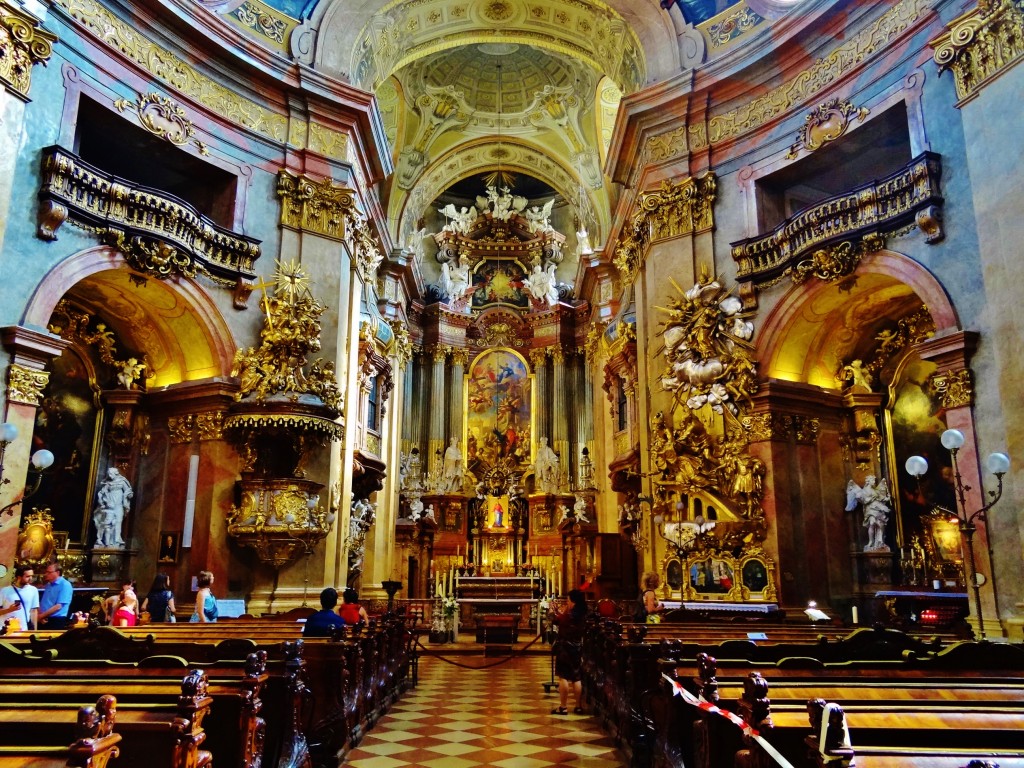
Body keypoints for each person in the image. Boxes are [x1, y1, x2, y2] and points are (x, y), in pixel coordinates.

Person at [549, 588, 587, 715]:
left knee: (563, 677)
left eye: (568, 600)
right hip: (577, 647)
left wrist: (552, 611)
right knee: (576, 677)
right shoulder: (582, 614)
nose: (567, 602)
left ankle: (563, 707)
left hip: (565, 648)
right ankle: (578, 706)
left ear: (574, 602)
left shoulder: (569, 616)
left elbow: (557, 620)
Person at [93, 466, 133, 548]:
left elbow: (129, 492)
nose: (109, 475)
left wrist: (128, 495)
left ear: (115, 474)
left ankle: (117, 539)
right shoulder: (107, 482)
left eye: (111, 474)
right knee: (107, 524)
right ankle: (107, 542)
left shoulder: (122, 481)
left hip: (118, 505)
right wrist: (103, 499)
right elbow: (102, 493)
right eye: (108, 474)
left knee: (118, 521)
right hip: (109, 505)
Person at [0, 564, 39, 630]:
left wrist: (34, 630)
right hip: (6, 630)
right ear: (19, 577)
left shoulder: (33, 590)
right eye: (27, 576)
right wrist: (9, 610)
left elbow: (33, 611)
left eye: (32, 576)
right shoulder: (5, 591)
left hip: (24, 629)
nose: (30, 579)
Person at [38, 562, 73, 629]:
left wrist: (41, 616)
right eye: (46, 572)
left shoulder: (65, 585)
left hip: (56, 620)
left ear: (57, 573)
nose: (46, 574)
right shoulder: (49, 584)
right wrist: (41, 616)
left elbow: (58, 606)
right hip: (44, 619)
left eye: (49, 572)